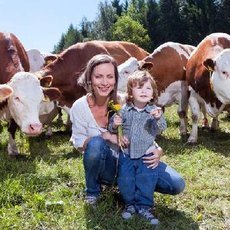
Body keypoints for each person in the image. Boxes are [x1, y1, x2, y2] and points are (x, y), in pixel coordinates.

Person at [69, 54, 185, 212]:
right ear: (89, 78)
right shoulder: (79, 107)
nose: (104, 82)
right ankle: (93, 192)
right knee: (96, 143)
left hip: (135, 161)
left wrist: (158, 150)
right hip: (106, 167)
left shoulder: (127, 102)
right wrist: (108, 136)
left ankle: (132, 187)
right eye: (98, 76)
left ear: (116, 79)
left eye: (110, 76)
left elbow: (143, 130)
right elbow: (78, 142)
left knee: (176, 184)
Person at [108, 70, 168, 224]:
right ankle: (130, 205)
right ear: (130, 92)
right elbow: (113, 129)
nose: (144, 91)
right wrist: (114, 124)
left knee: (146, 180)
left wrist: (159, 118)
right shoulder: (124, 110)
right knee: (126, 180)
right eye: (139, 87)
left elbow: (161, 128)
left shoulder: (153, 111)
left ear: (153, 94)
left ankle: (144, 207)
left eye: (148, 88)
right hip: (126, 154)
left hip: (146, 154)